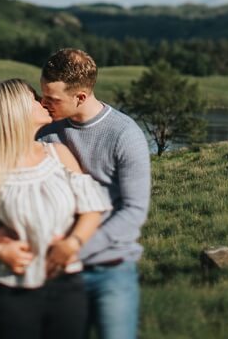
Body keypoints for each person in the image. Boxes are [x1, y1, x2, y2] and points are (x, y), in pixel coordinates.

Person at [0, 78, 112, 339]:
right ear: (14, 110)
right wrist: (1, 250)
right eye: (33, 98)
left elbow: (92, 208)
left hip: (69, 287)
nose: (42, 102)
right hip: (15, 292)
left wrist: (72, 244)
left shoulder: (59, 153)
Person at [33, 49, 153, 339]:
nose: (43, 104)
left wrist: (75, 249)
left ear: (81, 97)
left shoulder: (125, 135)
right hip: (58, 274)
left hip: (110, 271)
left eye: (53, 99)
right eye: (42, 94)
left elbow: (134, 211)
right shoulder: (46, 131)